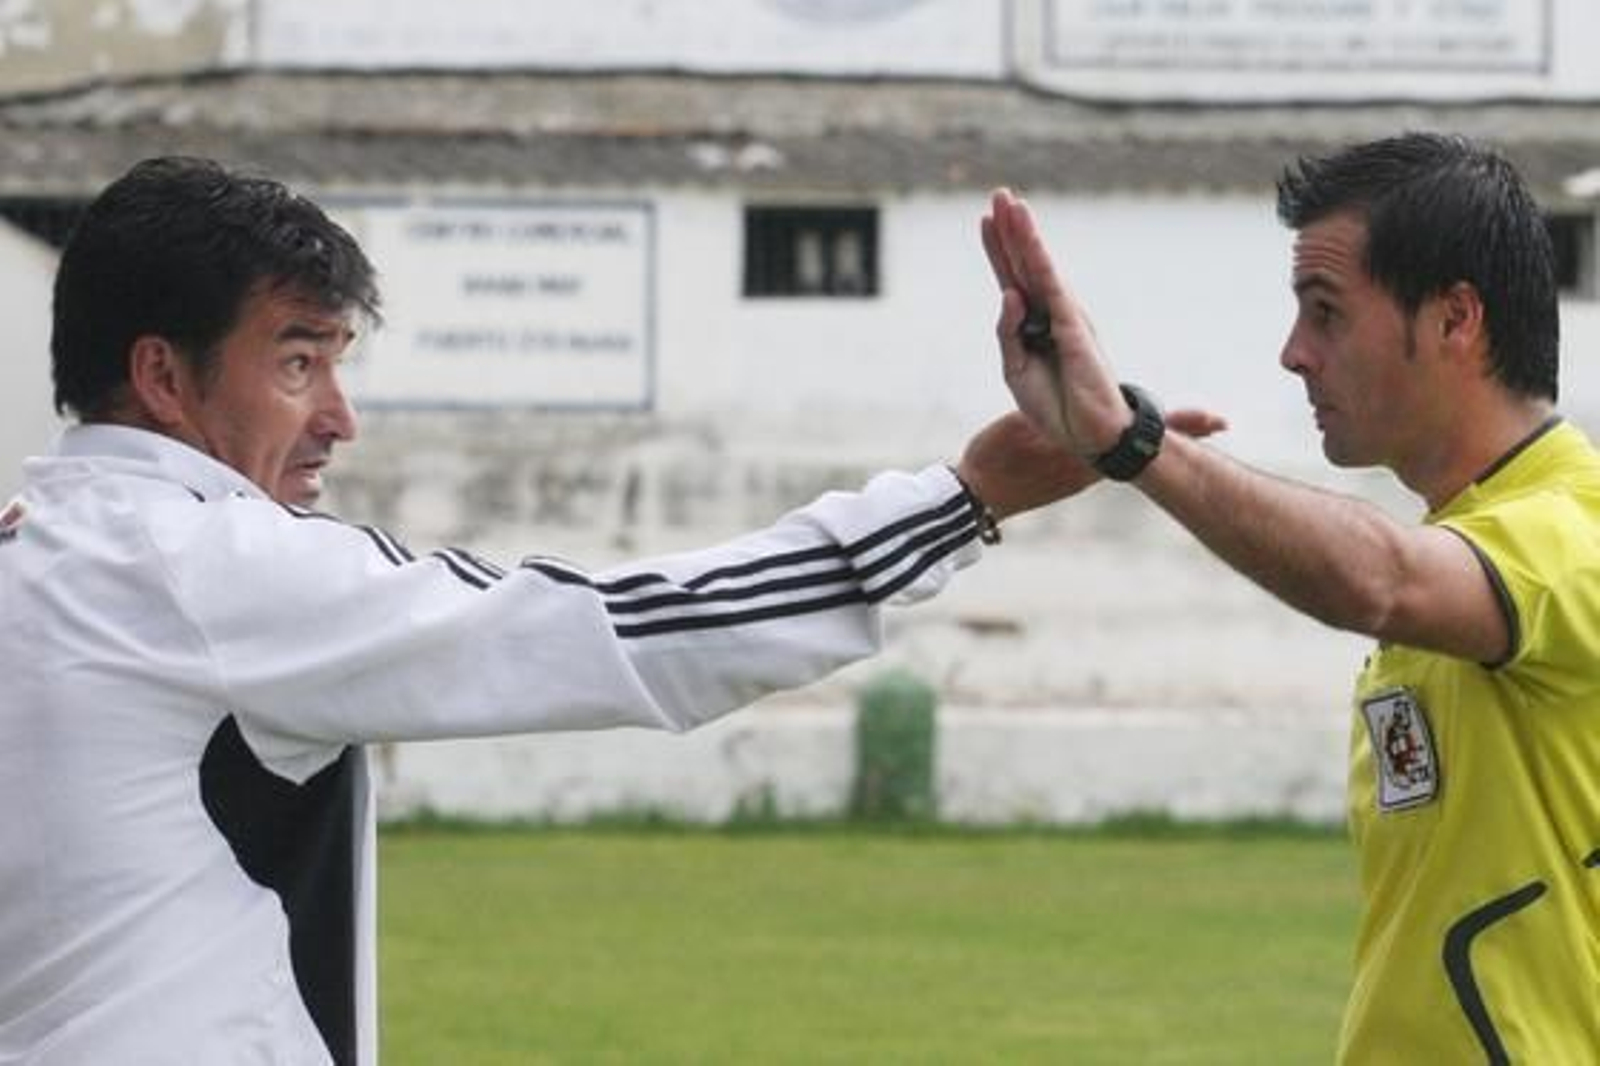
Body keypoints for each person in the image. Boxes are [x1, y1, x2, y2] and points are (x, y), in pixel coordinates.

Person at [0, 156, 1223, 1065]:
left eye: (338, 361)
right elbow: (628, 629)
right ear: (163, 375)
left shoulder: (38, 554)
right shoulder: (209, 566)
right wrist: (969, 497)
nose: (338, 417)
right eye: (296, 361)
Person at [983, 133, 1600, 1062]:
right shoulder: (1473, 545)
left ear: (1455, 319)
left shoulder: (1568, 536)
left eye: (1326, 313)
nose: (1293, 354)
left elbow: (1376, 581)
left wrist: (1131, 441)